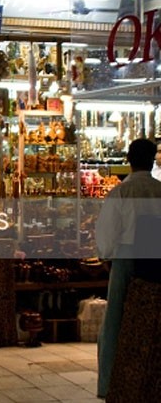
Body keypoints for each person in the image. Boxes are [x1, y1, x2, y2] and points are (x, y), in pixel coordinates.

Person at [95, 138, 161, 398]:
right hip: (157, 258)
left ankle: (110, 382)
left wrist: (106, 256)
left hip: (127, 257)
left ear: (129, 161)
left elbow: (108, 233)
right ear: (152, 159)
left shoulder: (121, 192)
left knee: (115, 321)